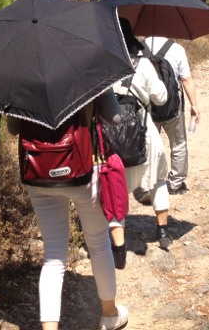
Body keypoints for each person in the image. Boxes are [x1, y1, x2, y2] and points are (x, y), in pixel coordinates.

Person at [7, 91, 129, 330]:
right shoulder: (89, 71)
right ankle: (109, 314)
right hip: (84, 170)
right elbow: (115, 117)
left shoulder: (21, 78)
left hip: (38, 173)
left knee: (54, 256)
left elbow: (13, 129)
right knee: (98, 244)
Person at [107, 18, 172, 267]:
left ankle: (118, 247)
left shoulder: (103, 64)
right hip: (143, 132)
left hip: (111, 135)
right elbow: (161, 98)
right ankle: (163, 231)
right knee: (157, 179)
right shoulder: (143, 64)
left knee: (115, 188)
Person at [143, 36, 200, 195]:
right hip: (172, 107)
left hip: (147, 106)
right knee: (178, 144)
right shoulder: (177, 49)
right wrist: (194, 105)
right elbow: (186, 79)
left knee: (148, 145)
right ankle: (176, 184)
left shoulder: (138, 49)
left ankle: (151, 183)